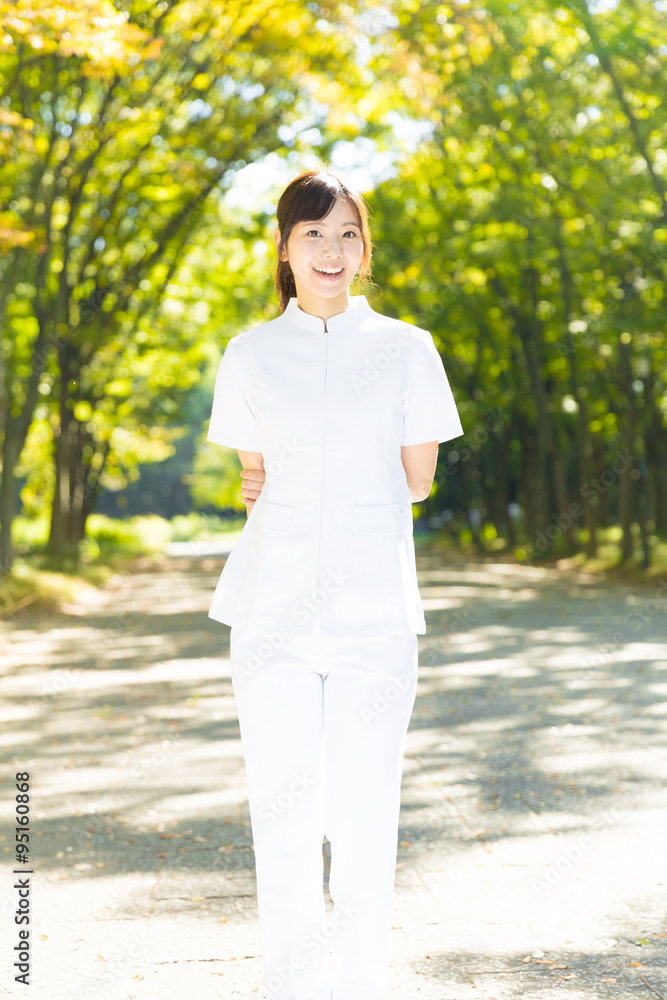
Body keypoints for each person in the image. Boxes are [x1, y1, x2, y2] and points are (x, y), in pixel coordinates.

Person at [206, 169, 463, 1000]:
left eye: (347, 233)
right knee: (279, 820)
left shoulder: (407, 348)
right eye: (313, 234)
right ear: (282, 247)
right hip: (271, 618)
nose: (331, 250)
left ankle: (355, 986)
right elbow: (254, 477)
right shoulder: (247, 354)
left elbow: (418, 481)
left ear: (364, 248)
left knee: (362, 819)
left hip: (373, 618)